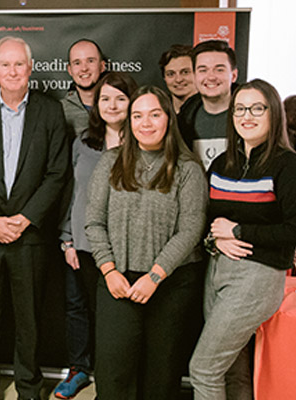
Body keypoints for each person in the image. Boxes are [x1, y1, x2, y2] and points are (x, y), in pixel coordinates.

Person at [0, 36, 68, 400]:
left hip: (30, 236)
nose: (12, 71)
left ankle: (28, 387)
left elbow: (57, 173)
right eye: (4, 65)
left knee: (30, 321)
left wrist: (25, 218)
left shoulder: (50, 112)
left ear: (30, 67)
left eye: (18, 64)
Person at [84, 85, 207, 400]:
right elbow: (94, 221)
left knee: (159, 377)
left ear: (168, 118)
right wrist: (109, 270)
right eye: (137, 115)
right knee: (113, 375)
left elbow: (190, 229)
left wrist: (155, 275)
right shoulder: (111, 161)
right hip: (118, 281)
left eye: (155, 114)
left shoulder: (188, 169)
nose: (146, 123)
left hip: (170, 284)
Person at [189, 79, 296, 400]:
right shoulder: (223, 164)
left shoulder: (287, 165)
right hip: (217, 272)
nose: (246, 115)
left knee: (203, 369)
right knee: (231, 368)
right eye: (239, 109)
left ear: (273, 114)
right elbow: (207, 219)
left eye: (256, 108)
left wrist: (238, 232)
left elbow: (292, 231)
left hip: (259, 276)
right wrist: (215, 240)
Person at [55, 71, 137, 399]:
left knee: (113, 317)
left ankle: (111, 376)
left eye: (120, 98)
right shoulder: (84, 142)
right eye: (105, 98)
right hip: (82, 243)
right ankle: (79, 369)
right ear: (96, 104)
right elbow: (71, 192)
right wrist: (66, 239)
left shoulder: (143, 141)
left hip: (124, 249)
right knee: (78, 308)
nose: (112, 105)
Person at [178, 40, 239, 169]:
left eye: (219, 69)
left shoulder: (251, 118)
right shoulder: (183, 120)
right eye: (203, 70)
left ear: (233, 75)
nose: (211, 77)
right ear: (194, 76)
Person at [61, 39, 106, 140]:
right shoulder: (59, 112)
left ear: (102, 66)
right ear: (70, 70)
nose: (84, 68)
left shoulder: (116, 107)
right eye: (77, 63)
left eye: (90, 61)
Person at [158, 44, 197, 114]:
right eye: (171, 74)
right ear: (164, 78)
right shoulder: (159, 111)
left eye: (185, 72)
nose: (178, 80)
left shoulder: (210, 110)